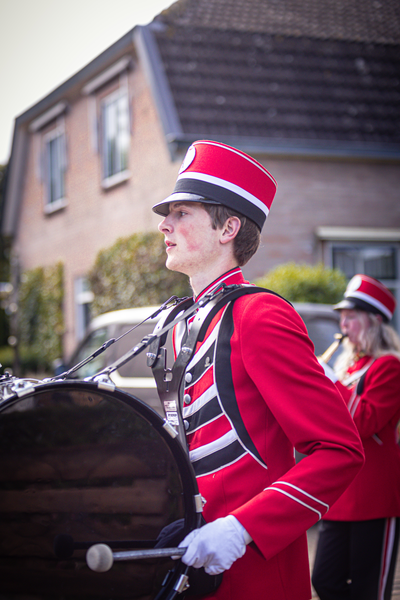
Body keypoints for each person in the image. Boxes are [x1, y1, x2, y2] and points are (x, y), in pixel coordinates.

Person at [151, 139, 364, 600]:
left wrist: (242, 529)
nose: (164, 224)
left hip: (256, 576)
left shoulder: (258, 316)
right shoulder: (178, 324)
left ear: (228, 227)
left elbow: (339, 450)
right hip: (191, 569)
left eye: (182, 213)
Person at [312, 274, 400, 600]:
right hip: (338, 495)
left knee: (369, 591)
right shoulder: (350, 367)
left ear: (375, 321)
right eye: (342, 317)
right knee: (324, 581)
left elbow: (363, 421)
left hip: (374, 497)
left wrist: (329, 379)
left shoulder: (389, 366)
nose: (344, 325)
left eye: (351, 317)